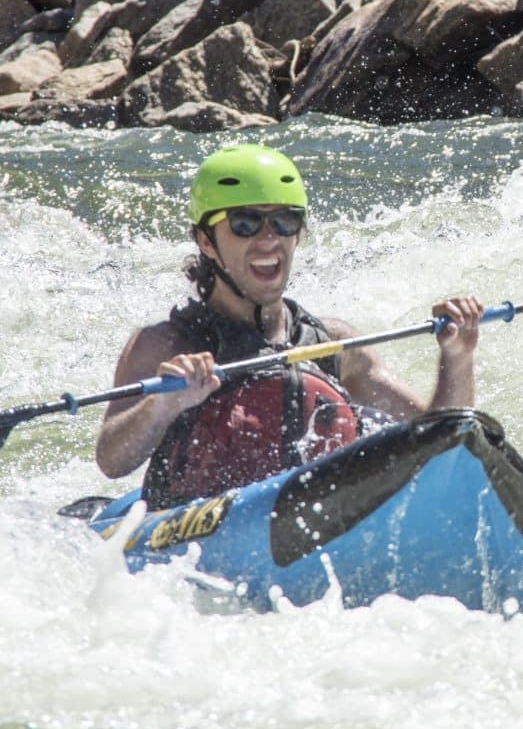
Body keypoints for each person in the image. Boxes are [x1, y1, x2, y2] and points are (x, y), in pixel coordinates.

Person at [95, 142, 484, 508]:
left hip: (316, 522)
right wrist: (164, 403)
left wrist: (458, 358)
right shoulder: (163, 346)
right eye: (245, 223)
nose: (268, 239)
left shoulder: (334, 345)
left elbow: (443, 441)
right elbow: (112, 460)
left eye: (284, 221)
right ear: (206, 241)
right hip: (195, 530)